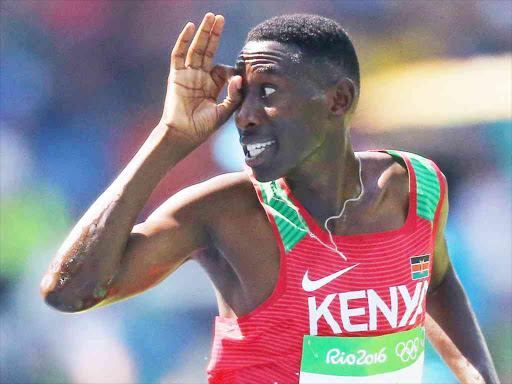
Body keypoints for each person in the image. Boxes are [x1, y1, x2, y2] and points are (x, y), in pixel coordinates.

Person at [40, 12, 499, 384]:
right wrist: (170, 138)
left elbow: (435, 284)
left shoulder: (416, 187)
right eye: (242, 96)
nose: (246, 117)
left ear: (338, 100)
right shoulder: (228, 211)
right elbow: (69, 293)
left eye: (268, 92)